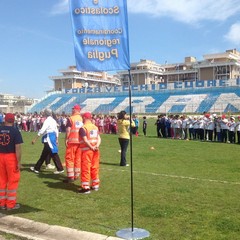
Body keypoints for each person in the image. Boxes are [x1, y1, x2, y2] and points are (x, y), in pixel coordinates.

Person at [0, 113, 23, 210]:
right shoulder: (15, 131)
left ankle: (2, 203)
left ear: (5, 120)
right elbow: (17, 148)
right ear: (13, 121)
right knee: (13, 180)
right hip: (11, 157)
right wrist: (18, 162)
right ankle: (10, 204)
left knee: (1, 180)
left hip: (0, 156)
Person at [30, 109, 64, 174]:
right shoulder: (53, 120)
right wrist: (57, 139)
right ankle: (36, 168)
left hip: (49, 138)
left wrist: (35, 139)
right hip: (52, 137)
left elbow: (42, 130)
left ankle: (60, 169)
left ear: (45, 114)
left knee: (54, 153)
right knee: (44, 154)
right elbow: (56, 130)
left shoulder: (47, 121)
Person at [78, 112, 101, 194]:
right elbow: (99, 138)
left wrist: (91, 147)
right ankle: (95, 185)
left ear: (84, 118)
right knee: (95, 167)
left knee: (86, 168)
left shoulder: (83, 128)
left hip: (87, 150)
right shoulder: (95, 127)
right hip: (96, 150)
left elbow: (85, 139)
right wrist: (96, 146)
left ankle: (86, 187)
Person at [63, 104, 83, 183]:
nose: (72, 110)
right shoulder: (82, 119)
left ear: (75, 110)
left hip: (72, 141)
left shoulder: (71, 118)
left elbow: (68, 130)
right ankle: (76, 175)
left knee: (70, 158)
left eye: (73, 109)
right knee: (78, 158)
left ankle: (70, 176)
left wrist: (66, 139)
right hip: (80, 142)